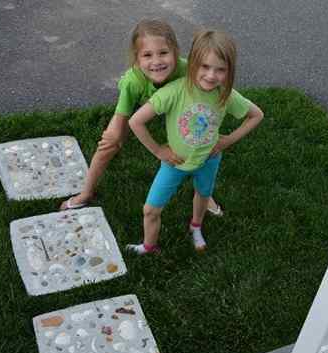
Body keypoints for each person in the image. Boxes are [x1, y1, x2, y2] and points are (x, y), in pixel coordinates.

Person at [60, 19, 223, 215]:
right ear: (137, 60)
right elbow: (123, 115)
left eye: (163, 53)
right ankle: (86, 193)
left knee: (201, 140)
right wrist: (149, 147)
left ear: (176, 52)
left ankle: (205, 195)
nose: (157, 61)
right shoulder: (132, 82)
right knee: (110, 142)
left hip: (176, 106)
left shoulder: (186, 70)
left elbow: (209, 100)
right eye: (147, 55)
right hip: (142, 102)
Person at [126, 29, 264, 255]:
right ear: (192, 64)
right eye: (205, 67)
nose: (211, 76)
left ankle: (195, 226)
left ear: (229, 70)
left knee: (202, 194)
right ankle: (149, 246)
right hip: (174, 163)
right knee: (150, 209)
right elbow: (136, 122)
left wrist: (227, 140)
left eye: (220, 70)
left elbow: (256, 115)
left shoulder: (225, 94)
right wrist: (159, 150)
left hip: (208, 160)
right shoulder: (174, 91)